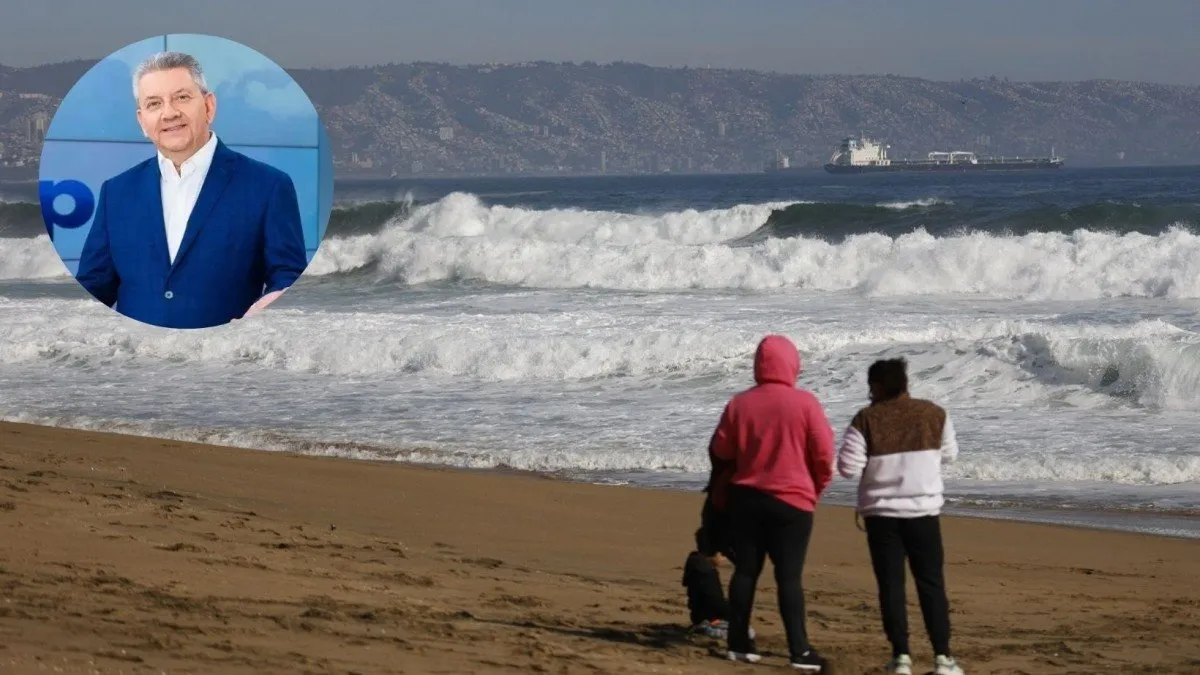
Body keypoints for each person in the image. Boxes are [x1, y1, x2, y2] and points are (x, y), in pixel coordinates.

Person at [74, 50, 308, 329]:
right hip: (134, 365)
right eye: (154, 104)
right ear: (142, 121)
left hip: (225, 364)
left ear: (208, 106)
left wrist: (272, 304)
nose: (169, 113)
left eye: (182, 98)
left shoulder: (268, 186)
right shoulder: (116, 192)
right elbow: (93, 289)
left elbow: (288, 278)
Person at [709, 334, 835, 671]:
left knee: (746, 571)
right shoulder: (806, 403)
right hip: (793, 503)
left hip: (747, 499)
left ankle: (738, 643)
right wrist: (816, 489)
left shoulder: (739, 403)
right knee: (789, 578)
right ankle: (799, 651)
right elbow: (824, 456)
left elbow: (721, 451)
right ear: (793, 365)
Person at [836, 357, 965, 675]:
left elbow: (847, 468)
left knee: (891, 586)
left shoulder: (866, 419)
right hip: (923, 512)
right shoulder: (934, 413)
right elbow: (950, 454)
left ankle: (902, 657)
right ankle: (943, 658)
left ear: (877, 387)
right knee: (931, 584)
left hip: (882, 515)